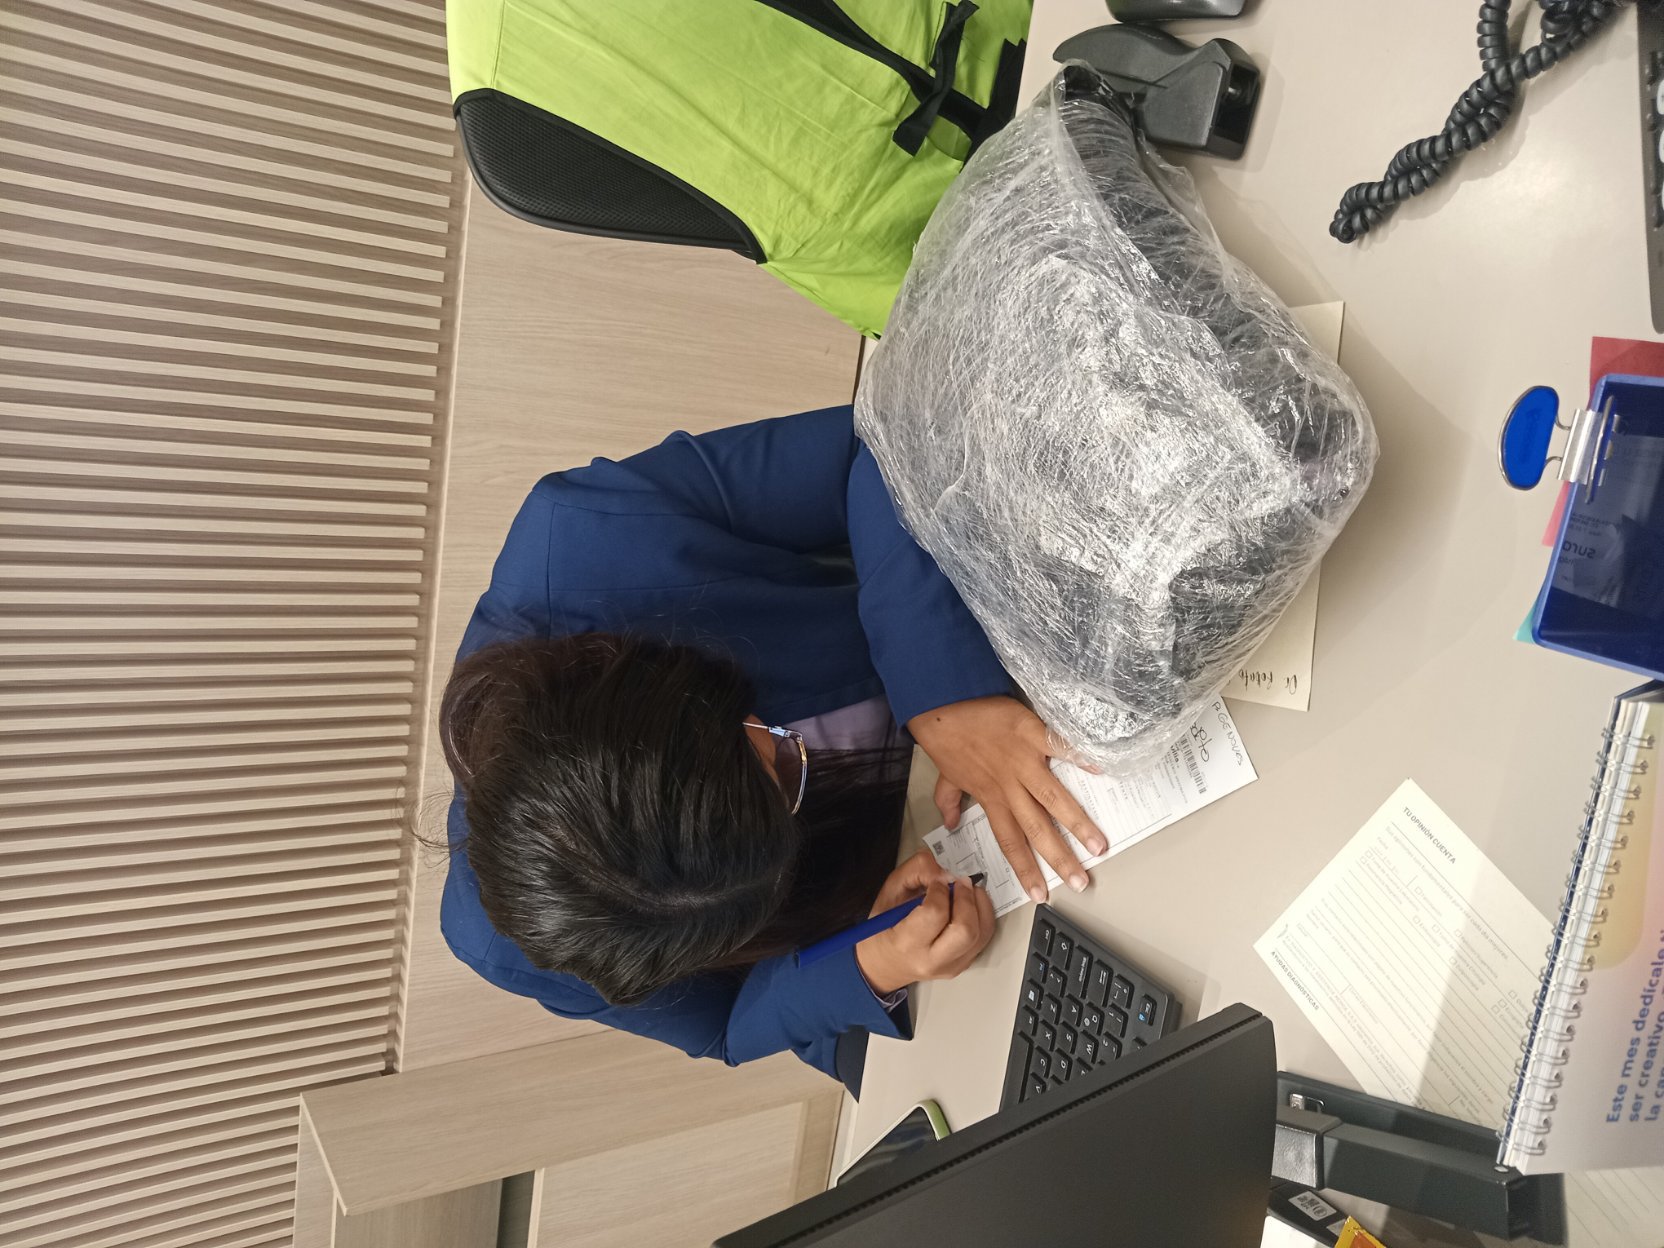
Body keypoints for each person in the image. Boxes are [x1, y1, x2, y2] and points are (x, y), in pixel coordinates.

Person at [440, 405, 1108, 1091]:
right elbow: (725, 1026)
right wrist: (868, 964)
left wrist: (940, 693)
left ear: (679, 686)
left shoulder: (587, 535)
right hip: (908, 916)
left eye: (779, 766)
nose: (802, 791)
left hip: (981, 658)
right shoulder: (517, 944)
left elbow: (884, 433)